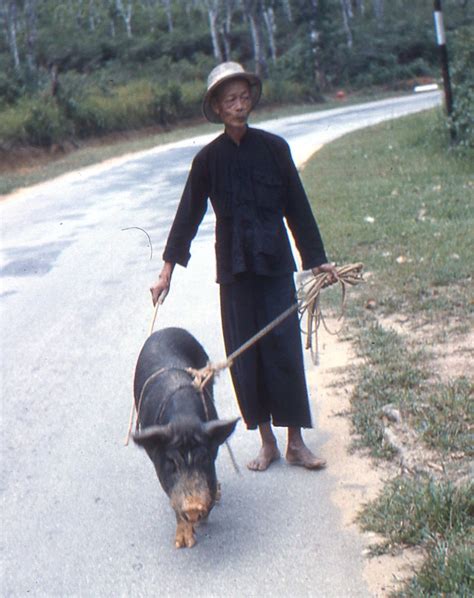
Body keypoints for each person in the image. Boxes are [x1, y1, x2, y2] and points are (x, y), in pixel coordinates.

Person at [150, 62, 338, 472]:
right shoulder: (207, 161)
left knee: (284, 350)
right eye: (230, 99)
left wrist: (317, 259)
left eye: (244, 97)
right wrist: (166, 272)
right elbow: (187, 217)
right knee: (246, 356)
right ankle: (267, 442)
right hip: (234, 273)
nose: (240, 105)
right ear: (216, 108)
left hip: (273, 266)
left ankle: (295, 443)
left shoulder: (274, 148)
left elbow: (298, 209)